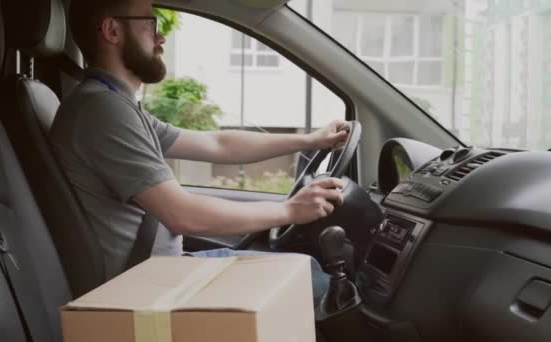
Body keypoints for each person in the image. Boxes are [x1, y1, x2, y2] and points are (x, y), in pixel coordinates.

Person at [50, 0, 348, 305]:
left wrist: (310, 140)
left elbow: (218, 144)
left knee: (306, 272)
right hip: (143, 290)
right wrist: (289, 211)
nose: (161, 37)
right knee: (314, 281)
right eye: (151, 24)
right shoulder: (103, 110)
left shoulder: (115, 104)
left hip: (161, 274)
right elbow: (182, 215)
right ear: (113, 30)